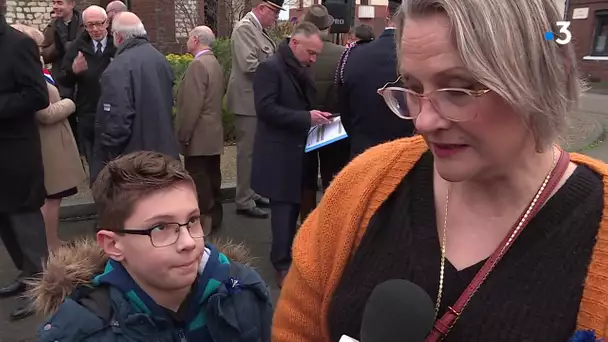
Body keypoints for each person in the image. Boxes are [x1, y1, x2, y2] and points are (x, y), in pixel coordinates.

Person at [273, 0, 608, 341]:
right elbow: (295, 327)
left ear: (540, 80)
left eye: (459, 89)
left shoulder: (596, 223)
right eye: (415, 88)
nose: (423, 121)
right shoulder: (362, 185)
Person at [31, 151, 273, 341]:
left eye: (192, 221)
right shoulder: (80, 332)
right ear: (113, 244)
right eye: (160, 228)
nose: (188, 242)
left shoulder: (244, 291)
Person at [252, 21, 329, 287]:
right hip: (280, 154)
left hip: (300, 150)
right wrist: (306, 118)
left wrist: (317, 118)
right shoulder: (270, 68)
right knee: (283, 211)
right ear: (294, 43)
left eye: (316, 54)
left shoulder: (299, 67)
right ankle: (281, 265)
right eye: (310, 52)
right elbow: (266, 110)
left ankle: (292, 256)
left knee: (295, 206)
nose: (313, 58)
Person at [11, 23, 86, 252]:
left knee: (55, 197)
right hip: (48, 145)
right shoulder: (26, 73)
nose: (41, 51)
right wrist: (69, 103)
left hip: (55, 142)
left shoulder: (37, 68)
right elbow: (43, 113)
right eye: (37, 46)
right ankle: (49, 244)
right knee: (51, 198)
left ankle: (53, 239)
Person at [0, 2, 50, 321]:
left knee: (24, 219)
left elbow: (38, 96)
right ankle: (26, 273)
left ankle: (43, 286)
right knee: (4, 220)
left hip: (17, 153)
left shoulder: (19, 45)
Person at [92, 12, 179, 182]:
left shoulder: (118, 67)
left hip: (134, 161)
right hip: (162, 152)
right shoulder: (159, 59)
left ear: (118, 36)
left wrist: (107, 155)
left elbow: (117, 121)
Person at [226, 0, 284, 219]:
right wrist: (280, 67)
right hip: (246, 101)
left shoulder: (256, 29)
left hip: (255, 100)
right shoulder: (245, 29)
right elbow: (250, 65)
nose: (276, 18)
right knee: (247, 153)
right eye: (275, 12)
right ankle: (243, 199)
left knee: (256, 151)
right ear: (261, 8)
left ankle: (253, 192)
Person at [338, 0, 414, 158]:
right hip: (409, 157)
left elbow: (344, 109)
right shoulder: (423, 55)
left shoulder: (353, 54)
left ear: (387, 12)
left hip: (364, 155)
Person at [300, 4, 350, 222]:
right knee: (333, 176)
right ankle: (331, 224)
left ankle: (307, 225)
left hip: (303, 124)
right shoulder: (344, 55)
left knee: (306, 179)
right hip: (334, 127)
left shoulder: (299, 54)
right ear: (328, 28)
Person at [176, 26, 225, 233]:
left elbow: (191, 105)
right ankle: (216, 217)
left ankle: (205, 223)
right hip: (213, 133)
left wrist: (184, 135)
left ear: (196, 39)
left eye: (189, 38)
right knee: (212, 176)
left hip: (199, 135)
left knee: (199, 179)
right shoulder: (214, 63)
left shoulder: (198, 65)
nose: (187, 41)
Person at [59, 5, 117, 169]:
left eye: (99, 23)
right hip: (88, 112)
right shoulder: (77, 46)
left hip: (114, 110)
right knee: (95, 164)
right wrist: (73, 71)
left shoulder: (118, 45)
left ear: (107, 23)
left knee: (115, 162)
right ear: (84, 26)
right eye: (90, 25)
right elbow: (63, 80)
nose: (95, 29)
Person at [41, 0, 83, 138]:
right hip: (61, 82)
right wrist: (57, 47)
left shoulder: (84, 24)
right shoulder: (51, 27)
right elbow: (44, 55)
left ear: (71, 4)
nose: (55, 7)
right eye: (54, 3)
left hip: (83, 82)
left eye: (59, 3)